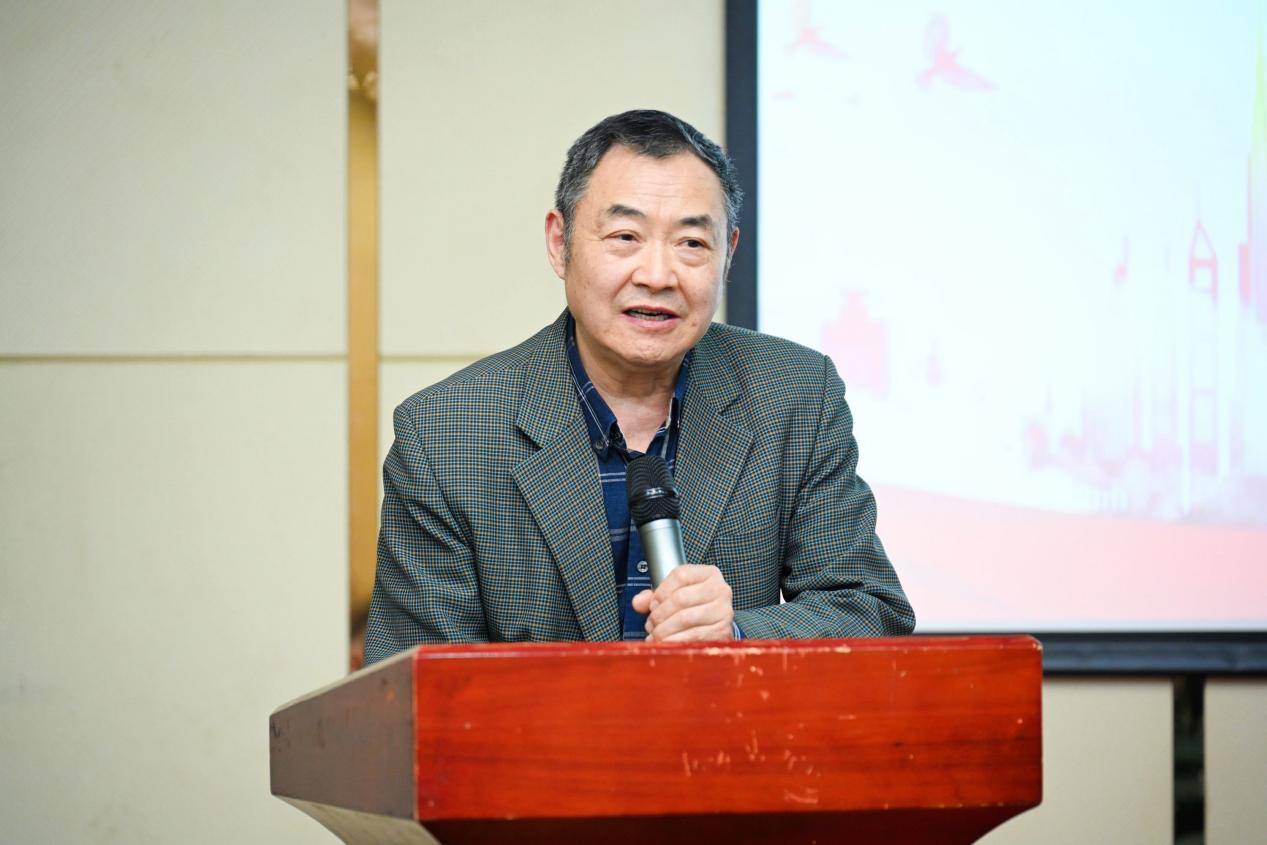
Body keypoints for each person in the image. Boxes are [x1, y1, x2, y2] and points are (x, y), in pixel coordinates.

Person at [364, 110, 913, 664]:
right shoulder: (446, 434)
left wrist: (737, 634)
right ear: (559, 242)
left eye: (691, 243)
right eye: (625, 237)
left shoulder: (794, 394)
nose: (657, 275)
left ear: (729, 253)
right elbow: (418, 681)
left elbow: (870, 611)